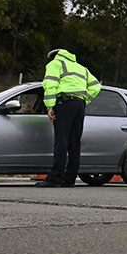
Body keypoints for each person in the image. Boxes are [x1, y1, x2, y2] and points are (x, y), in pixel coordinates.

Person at [37, 49, 101, 188]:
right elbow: (96, 86)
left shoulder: (55, 64)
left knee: (61, 140)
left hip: (64, 104)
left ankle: (54, 178)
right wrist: (84, 99)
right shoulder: (82, 68)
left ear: (54, 57)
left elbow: (50, 84)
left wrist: (50, 106)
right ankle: (69, 178)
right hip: (79, 106)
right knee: (74, 143)